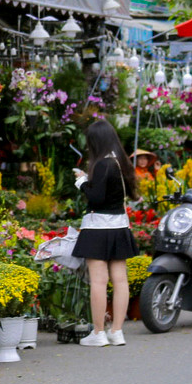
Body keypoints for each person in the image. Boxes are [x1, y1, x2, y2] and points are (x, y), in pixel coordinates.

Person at [73, 119, 140, 347]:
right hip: (119, 226)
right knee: (120, 281)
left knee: (99, 282)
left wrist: (82, 182)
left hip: (98, 228)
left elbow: (96, 197)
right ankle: (117, 331)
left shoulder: (102, 164)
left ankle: (99, 332)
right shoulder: (120, 163)